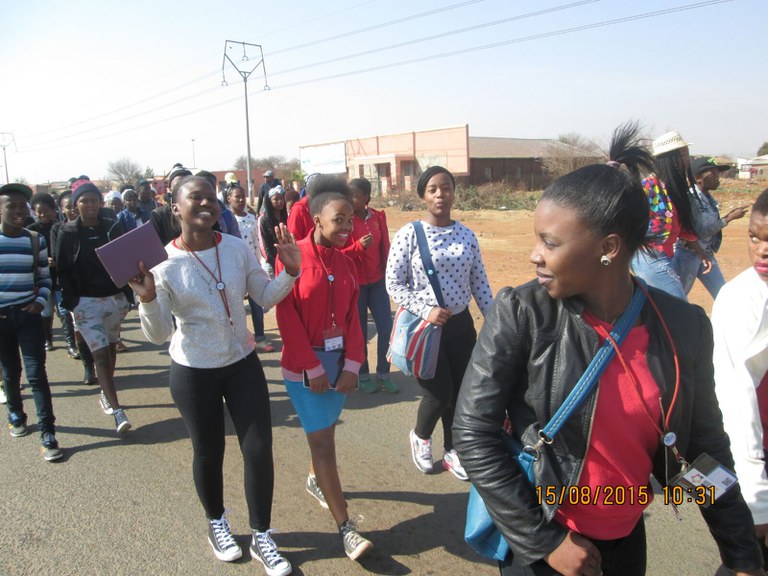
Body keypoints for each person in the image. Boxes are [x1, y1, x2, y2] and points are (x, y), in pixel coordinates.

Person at [452, 123, 765, 576]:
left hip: (625, 542)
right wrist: (546, 542)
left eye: (550, 242)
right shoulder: (523, 314)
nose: (534, 255)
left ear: (609, 248)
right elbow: (473, 434)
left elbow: (702, 454)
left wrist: (740, 556)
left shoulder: (683, 328)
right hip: (543, 540)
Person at [129, 175, 299, 575]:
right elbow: (157, 335)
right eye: (195, 198)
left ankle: (262, 534)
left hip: (242, 363)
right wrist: (149, 298)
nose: (207, 203)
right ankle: (217, 522)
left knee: (258, 449)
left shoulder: (238, 248)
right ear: (175, 208)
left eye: (212, 198)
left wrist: (289, 273)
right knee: (209, 452)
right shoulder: (163, 264)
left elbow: (264, 296)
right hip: (193, 371)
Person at [275, 175, 374, 562]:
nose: (347, 227)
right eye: (339, 220)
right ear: (317, 218)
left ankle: (316, 478)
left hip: (338, 368)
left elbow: (353, 317)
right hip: (306, 371)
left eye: (350, 219)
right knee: (324, 444)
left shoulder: (346, 261)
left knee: (325, 435)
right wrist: (312, 367)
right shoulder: (293, 257)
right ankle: (346, 526)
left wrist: (353, 365)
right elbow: (287, 319)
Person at [386, 165, 492, 481]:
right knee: (440, 393)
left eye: (445, 187)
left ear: (453, 193)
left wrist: (498, 321)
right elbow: (393, 283)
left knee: (461, 393)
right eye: (432, 189)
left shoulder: (466, 235)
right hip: (424, 329)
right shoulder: (409, 234)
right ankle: (420, 435)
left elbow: (481, 284)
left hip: (461, 327)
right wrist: (426, 309)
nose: (440, 194)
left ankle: (453, 451)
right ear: (422, 195)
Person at [712, 188, 768, 572]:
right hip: (754, 459)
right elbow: (737, 402)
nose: (761, 250)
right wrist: (758, 497)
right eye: (754, 237)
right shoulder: (740, 300)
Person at [56, 180, 132, 434]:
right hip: (85, 303)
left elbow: (126, 259)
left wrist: (127, 294)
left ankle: (104, 392)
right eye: (83, 201)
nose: (89, 205)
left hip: (114, 299)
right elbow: (63, 269)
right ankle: (117, 410)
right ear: (76, 204)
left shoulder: (112, 227)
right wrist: (72, 301)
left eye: (93, 200)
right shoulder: (67, 233)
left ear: (100, 203)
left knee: (110, 351)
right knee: (99, 353)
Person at [0, 183, 62, 462]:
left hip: (28, 317)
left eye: (21, 206)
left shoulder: (35, 240)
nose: (17, 211)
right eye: (10, 206)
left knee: (37, 375)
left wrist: (40, 302)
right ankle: (16, 415)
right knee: (10, 373)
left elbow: (44, 278)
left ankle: (48, 433)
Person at [631, 130, 710, 300]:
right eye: (682, 154)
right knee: (679, 305)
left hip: (666, 256)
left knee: (661, 309)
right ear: (669, 159)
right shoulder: (647, 188)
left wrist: (701, 253)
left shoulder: (674, 189)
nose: (686, 159)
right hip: (647, 256)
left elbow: (682, 228)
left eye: (686, 153)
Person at [344, 177, 396, 393]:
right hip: (356, 286)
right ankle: (363, 375)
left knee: (386, 329)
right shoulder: (344, 221)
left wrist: (392, 274)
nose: (349, 199)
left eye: (354, 195)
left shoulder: (377, 217)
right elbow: (337, 254)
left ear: (365, 197)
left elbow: (387, 248)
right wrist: (357, 246)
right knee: (360, 334)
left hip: (377, 283)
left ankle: (383, 373)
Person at [673, 156, 749, 298]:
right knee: (678, 298)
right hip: (688, 255)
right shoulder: (692, 199)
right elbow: (699, 232)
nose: (717, 177)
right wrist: (729, 218)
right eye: (712, 173)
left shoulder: (708, 199)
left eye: (717, 173)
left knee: (723, 295)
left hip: (705, 253)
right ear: (697, 178)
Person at [227, 182, 273, 352]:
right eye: (236, 196)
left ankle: (260, 338)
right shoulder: (227, 220)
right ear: (228, 199)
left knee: (256, 304)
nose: (240, 199)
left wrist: (260, 263)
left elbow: (256, 242)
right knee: (236, 306)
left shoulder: (251, 218)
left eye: (242, 196)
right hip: (233, 268)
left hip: (251, 266)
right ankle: (239, 340)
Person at [50, 191, 81, 360]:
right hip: (64, 280)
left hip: (85, 283)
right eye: (68, 207)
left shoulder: (88, 227)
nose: (73, 210)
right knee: (65, 314)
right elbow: (57, 256)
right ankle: (71, 344)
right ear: (62, 209)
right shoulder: (58, 228)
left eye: (74, 206)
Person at [27, 193, 59, 351]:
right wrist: (43, 261)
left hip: (59, 276)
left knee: (64, 312)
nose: (43, 215)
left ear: (53, 210)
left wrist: (56, 260)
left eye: (46, 211)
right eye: (39, 212)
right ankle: (48, 339)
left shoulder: (59, 226)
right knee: (46, 312)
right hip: (41, 278)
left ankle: (71, 344)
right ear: (34, 212)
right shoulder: (31, 231)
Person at [258, 185, 288, 279]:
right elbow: (264, 245)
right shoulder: (263, 219)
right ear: (269, 201)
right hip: (271, 263)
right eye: (276, 199)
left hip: (286, 261)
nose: (280, 201)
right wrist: (273, 262)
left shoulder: (286, 217)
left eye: (281, 198)